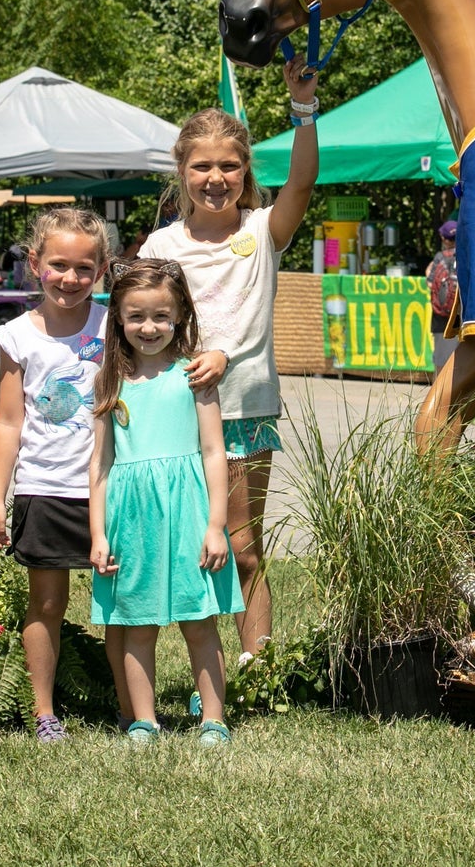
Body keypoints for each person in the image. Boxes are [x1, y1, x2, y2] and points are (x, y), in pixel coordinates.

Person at [139, 58, 319, 662]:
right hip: (176, 415)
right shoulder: (161, 246)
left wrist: (303, 110)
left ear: (246, 172)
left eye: (229, 165)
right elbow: (138, 323)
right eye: (202, 166)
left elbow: (301, 184)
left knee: (243, 544)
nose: (216, 177)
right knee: (194, 546)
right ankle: (208, 675)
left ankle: (257, 669)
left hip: (244, 410)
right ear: (181, 171)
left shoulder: (263, 230)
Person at [0, 207, 124, 743]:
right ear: (35, 263)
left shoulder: (116, 327)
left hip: (108, 488)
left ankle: (132, 704)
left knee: (121, 602)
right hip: (43, 488)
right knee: (45, 603)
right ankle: (45, 713)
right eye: (58, 265)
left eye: (85, 268)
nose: (70, 279)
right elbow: (7, 421)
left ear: (103, 269)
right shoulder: (16, 337)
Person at [89, 257, 242, 744]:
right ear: (117, 318)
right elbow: (100, 465)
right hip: (131, 520)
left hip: (189, 510)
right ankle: (143, 719)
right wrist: (98, 533)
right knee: (138, 623)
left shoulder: (194, 376)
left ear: (179, 317)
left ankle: (213, 719)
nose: (149, 327)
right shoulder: (108, 381)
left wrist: (216, 524)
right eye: (136, 316)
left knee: (199, 620)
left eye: (160, 316)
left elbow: (215, 452)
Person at [427, 219, 460, 373]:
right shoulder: (467, 254)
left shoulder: (440, 257)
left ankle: (440, 396)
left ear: (445, 239)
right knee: (462, 362)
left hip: (441, 318)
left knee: (441, 363)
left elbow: (430, 282)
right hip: (460, 316)